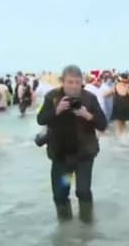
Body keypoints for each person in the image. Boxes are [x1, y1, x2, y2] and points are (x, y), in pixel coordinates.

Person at [37, 65, 107, 222]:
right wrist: (57, 110)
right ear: (62, 81)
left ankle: (87, 228)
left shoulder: (89, 98)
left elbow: (102, 124)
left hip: (84, 155)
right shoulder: (52, 97)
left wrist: (87, 115)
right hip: (62, 157)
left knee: (82, 190)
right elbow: (40, 119)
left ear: (82, 82)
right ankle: (65, 230)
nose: (74, 86)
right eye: (70, 82)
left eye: (77, 82)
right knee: (61, 193)